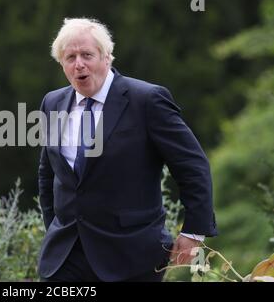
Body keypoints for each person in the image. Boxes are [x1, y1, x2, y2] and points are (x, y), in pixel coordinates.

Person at [37, 18, 218, 282]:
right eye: (70, 57)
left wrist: (193, 232)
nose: (79, 64)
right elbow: (48, 172)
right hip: (65, 257)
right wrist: (54, 227)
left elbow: (192, 166)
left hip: (132, 257)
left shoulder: (148, 100)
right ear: (61, 63)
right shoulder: (52, 102)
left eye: (87, 55)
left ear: (106, 56)